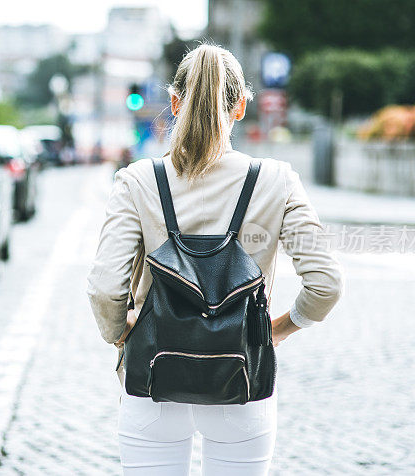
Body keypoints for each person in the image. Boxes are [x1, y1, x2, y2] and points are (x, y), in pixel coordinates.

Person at [86, 44, 343, 475]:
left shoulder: (136, 181)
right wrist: (276, 330)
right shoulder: (277, 181)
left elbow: (104, 288)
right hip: (240, 379)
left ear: (173, 103)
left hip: (153, 379)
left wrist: (120, 334)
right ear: (241, 107)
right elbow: (326, 285)